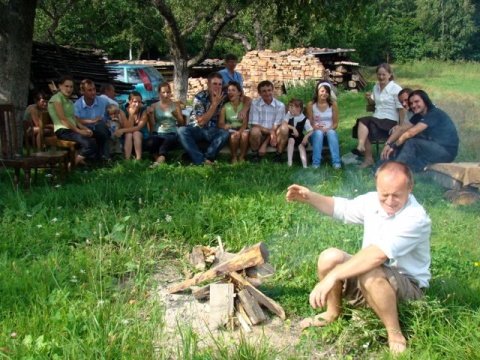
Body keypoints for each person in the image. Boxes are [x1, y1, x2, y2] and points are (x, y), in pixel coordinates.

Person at [286, 161, 431, 355]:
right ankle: (332, 312)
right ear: (377, 188)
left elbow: (377, 255)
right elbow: (340, 207)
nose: (389, 201)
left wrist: (333, 277)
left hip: (408, 287)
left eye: (396, 195)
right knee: (330, 257)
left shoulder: (415, 217)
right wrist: (310, 196)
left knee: (369, 269)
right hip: (373, 279)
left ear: (410, 189)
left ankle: (394, 333)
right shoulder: (371, 201)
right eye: (384, 195)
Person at [379, 90, 459, 172]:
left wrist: (394, 146)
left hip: (446, 152)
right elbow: (401, 129)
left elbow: (410, 133)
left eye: (417, 101)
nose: (413, 105)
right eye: (411, 103)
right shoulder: (419, 115)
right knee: (402, 141)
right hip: (434, 147)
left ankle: (395, 171)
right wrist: (388, 144)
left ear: (425, 101)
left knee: (411, 142)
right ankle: (381, 168)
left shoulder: (434, 113)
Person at [352, 64, 406, 168]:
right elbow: (374, 104)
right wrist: (369, 99)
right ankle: (368, 159)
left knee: (363, 121)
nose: (381, 77)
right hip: (377, 118)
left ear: (390, 75)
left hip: (390, 121)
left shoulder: (396, 89)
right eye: (379, 74)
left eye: (384, 75)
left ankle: (361, 146)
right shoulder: (376, 87)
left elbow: (402, 109)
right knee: (364, 126)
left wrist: (400, 125)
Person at [177, 72, 230, 165]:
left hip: (213, 130)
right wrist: (214, 105)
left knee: (225, 134)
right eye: (214, 84)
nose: (217, 87)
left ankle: (206, 158)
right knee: (181, 131)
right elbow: (201, 122)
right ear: (208, 84)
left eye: (219, 84)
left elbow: (242, 96)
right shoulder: (200, 97)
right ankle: (201, 161)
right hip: (197, 129)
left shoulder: (224, 96)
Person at [48, 75, 97, 165]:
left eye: (71, 87)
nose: (69, 89)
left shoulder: (69, 102)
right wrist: (79, 131)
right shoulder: (56, 99)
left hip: (71, 130)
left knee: (96, 134)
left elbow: (74, 118)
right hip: (63, 130)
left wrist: (84, 128)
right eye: (66, 86)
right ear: (60, 86)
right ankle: (71, 165)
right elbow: (62, 119)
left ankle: (98, 159)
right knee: (89, 144)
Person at [145, 83, 184, 167]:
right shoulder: (154, 105)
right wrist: (150, 114)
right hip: (158, 132)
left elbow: (181, 123)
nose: (166, 95)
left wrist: (177, 116)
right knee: (149, 143)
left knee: (164, 146)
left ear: (170, 93)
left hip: (171, 132)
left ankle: (157, 163)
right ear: (159, 93)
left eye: (168, 92)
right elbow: (152, 123)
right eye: (163, 92)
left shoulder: (176, 105)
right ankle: (159, 160)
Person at [249, 80, 288, 162]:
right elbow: (255, 124)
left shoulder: (280, 105)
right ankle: (255, 155)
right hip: (261, 133)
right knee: (254, 131)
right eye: (264, 91)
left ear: (273, 91)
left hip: (275, 134)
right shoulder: (255, 104)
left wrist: (265, 144)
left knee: (284, 129)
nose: (267, 93)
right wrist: (271, 133)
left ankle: (278, 155)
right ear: (259, 93)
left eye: (269, 90)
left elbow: (277, 125)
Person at [305, 83, 341, 169]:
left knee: (332, 133)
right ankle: (316, 163)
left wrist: (328, 129)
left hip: (329, 134)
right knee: (318, 133)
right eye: (322, 91)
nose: (324, 93)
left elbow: (335, 123)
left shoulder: (333, 104)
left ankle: (336, 162)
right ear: (317, 92)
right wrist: (318, 129)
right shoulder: (311, 105)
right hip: (315, 135)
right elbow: (310, 123)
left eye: (326, 91)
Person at [74, 79, 111, 161]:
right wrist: (92, 121)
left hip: (102, 128)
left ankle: (105, 157)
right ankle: (101, 157)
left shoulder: (103, 101)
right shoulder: (77, 105)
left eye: (94, 89)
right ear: (82, 92)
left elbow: (113, 110)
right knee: (98, 126)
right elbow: (75, 120)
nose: (93, 92)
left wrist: (111, 120)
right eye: (89, 90)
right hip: (85, 130)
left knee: (100, 126)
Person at [218, 81, 250, 163]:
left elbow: (245, 123)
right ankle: (234, 157)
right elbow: (220, 123)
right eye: (228, 90)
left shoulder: (244, 105)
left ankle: (242, 157)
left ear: (239, 93)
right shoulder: (225, 106)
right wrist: (224, 125)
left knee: (245, 135)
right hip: (232, 129)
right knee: (233, 136)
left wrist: (239, 132)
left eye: (233, 90)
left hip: (243, 128)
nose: (230, 92)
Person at [114, 91, 149, 160]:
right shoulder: (122, 109)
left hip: (141, 133)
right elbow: (127, 127)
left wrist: (122, 130)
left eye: (139, 102)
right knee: (129, 134)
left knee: (136, 133)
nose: (137, 104)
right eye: (135, 102)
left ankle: (138, 159)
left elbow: (139, 127)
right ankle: (127, 160)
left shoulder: (143, 110)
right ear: (129, 101)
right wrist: (131, 115)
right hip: (127, 135)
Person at [218, 54, 251, 123]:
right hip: (225, 97)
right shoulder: (220, 74)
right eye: (231, 62)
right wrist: (227, 86)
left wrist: (242, 96)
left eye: (235, 62)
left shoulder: (238, 75)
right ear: (226, 62)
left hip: (237, 96)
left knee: (249, 100)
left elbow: (240, 88)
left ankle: (243, 114)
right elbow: (217, 87)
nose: (233, 64)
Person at [283, 98, 312, 168]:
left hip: (300, 136)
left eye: (292, 106)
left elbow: (311, 130)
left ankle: (304, 165)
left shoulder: (304, 119)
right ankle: (289, 162)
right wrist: (293, 128)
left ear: (298, 108)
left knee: (301, 146)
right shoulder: (289, 115)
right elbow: (284, 123)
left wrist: (306, 137)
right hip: (291, 136)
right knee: (291, 140)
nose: (289, 108)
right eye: (289, 106)